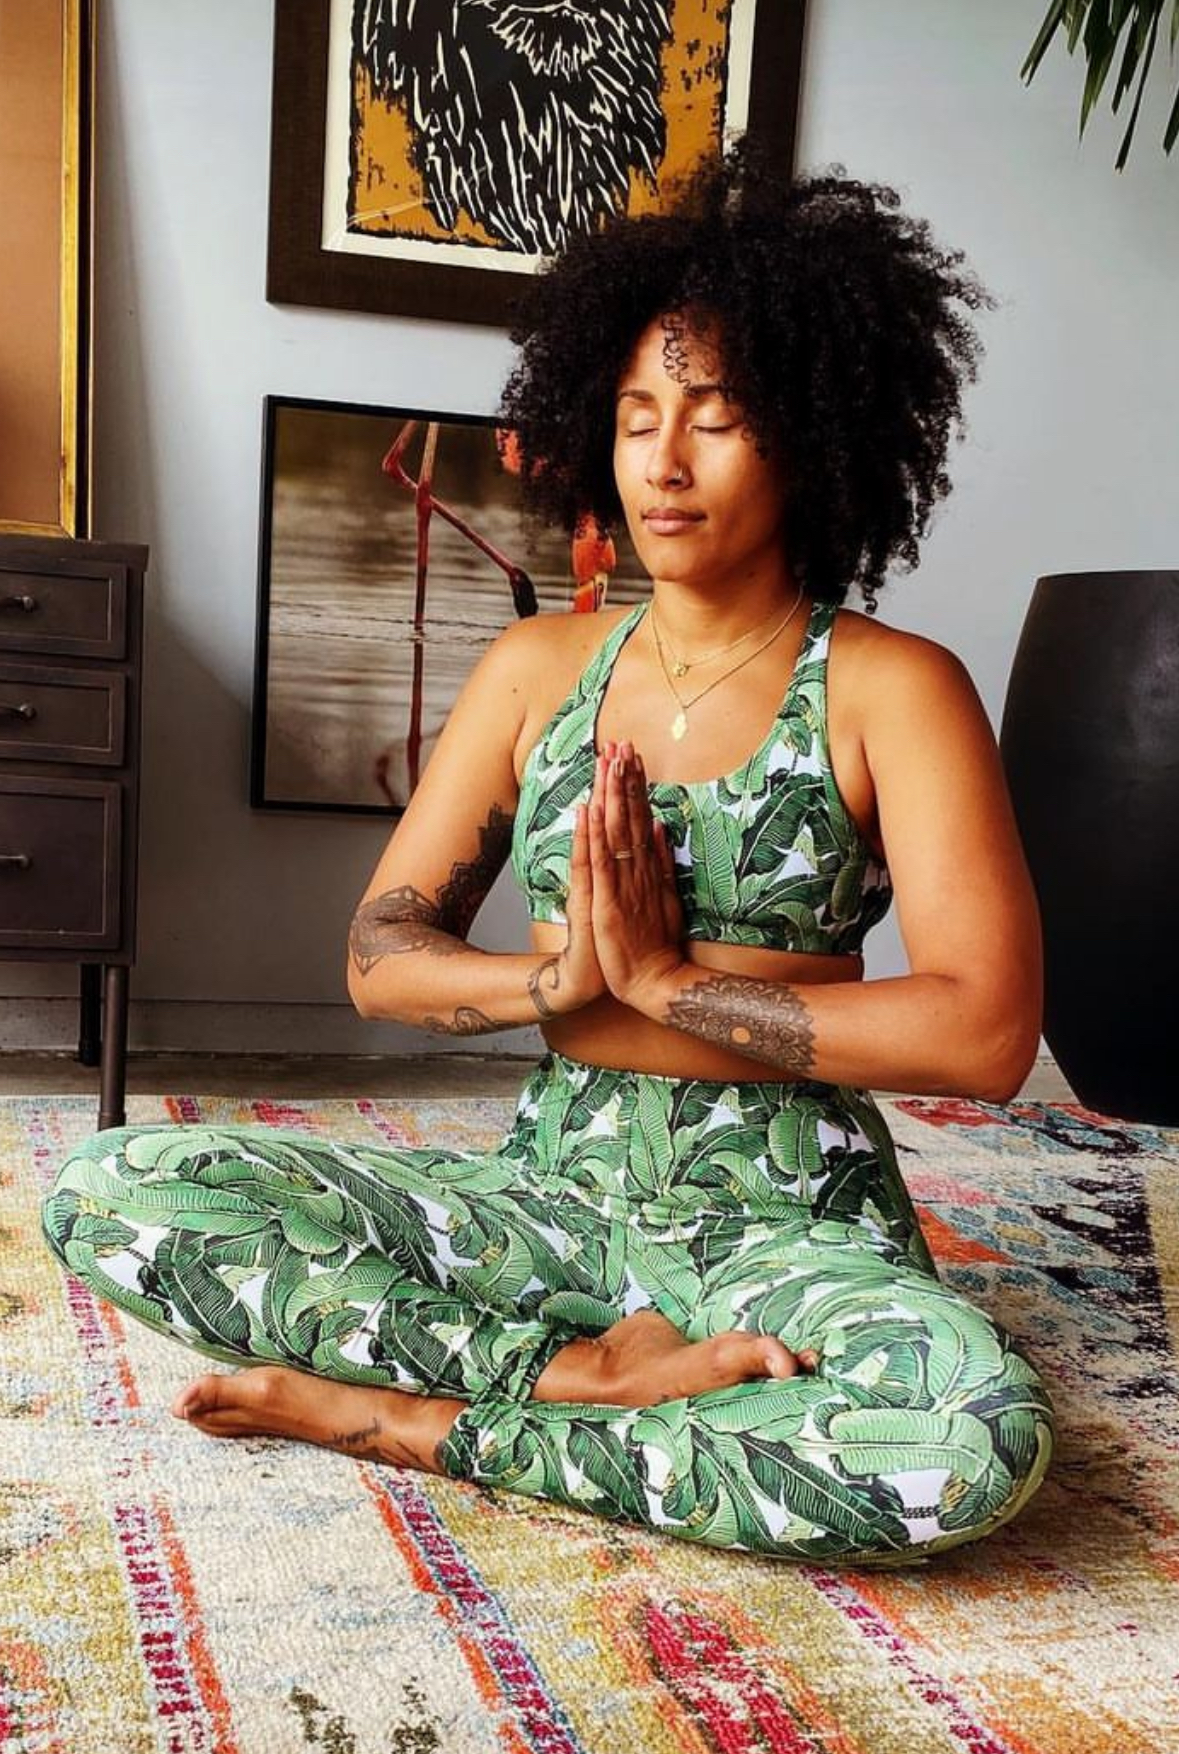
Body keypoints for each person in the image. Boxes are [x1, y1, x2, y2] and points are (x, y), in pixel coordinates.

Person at [41, 149, 1055, 1565]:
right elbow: (381, 954)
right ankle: (571, 1374)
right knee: (107, 1189)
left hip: (791, 1214)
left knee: (968, 1444)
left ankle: (415, 1419)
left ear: (817, 436)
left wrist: (671, 983)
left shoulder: (896, 687)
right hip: (554, 1194)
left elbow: (986, 1030)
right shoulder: (536, 668)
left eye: (715, 418)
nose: (663, 461)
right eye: (636, 417)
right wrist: (557, 981)